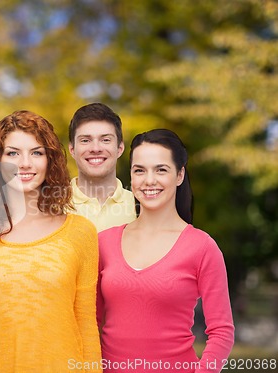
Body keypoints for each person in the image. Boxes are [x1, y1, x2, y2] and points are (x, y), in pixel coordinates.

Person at [0, 110, 102, 372]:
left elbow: (86, 325)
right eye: (13, 153)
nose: (25, 163)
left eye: (37, 153)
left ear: (50, 161)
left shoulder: (81, 233)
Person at [97, 129, 234, 372]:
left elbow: (221, 331)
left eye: (161, 169)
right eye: (139, 170)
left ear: (180, 175)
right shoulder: (103, 243)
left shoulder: (202, 247)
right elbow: (90, 321)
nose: (149, 180)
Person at [68, 103, 136, 232]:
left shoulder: (140, 206)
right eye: (85, 140)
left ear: (120, 149)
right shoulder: (52, 206)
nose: (95, 149)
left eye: (105, 140)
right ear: (72, 149)